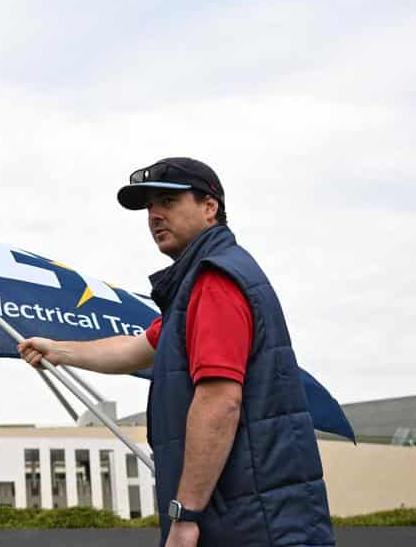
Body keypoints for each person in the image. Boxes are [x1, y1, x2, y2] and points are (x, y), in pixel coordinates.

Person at [17, 158, 334, 547]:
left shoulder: (214, 281)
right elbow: (139, 348)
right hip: (250, 513)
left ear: (209, 206)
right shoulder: (198, 283)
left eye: (167, 201)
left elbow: (220, 402)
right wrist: (58, 351)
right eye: (149, 207)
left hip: (246, 521)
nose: (154, 215)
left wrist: (186, 515)